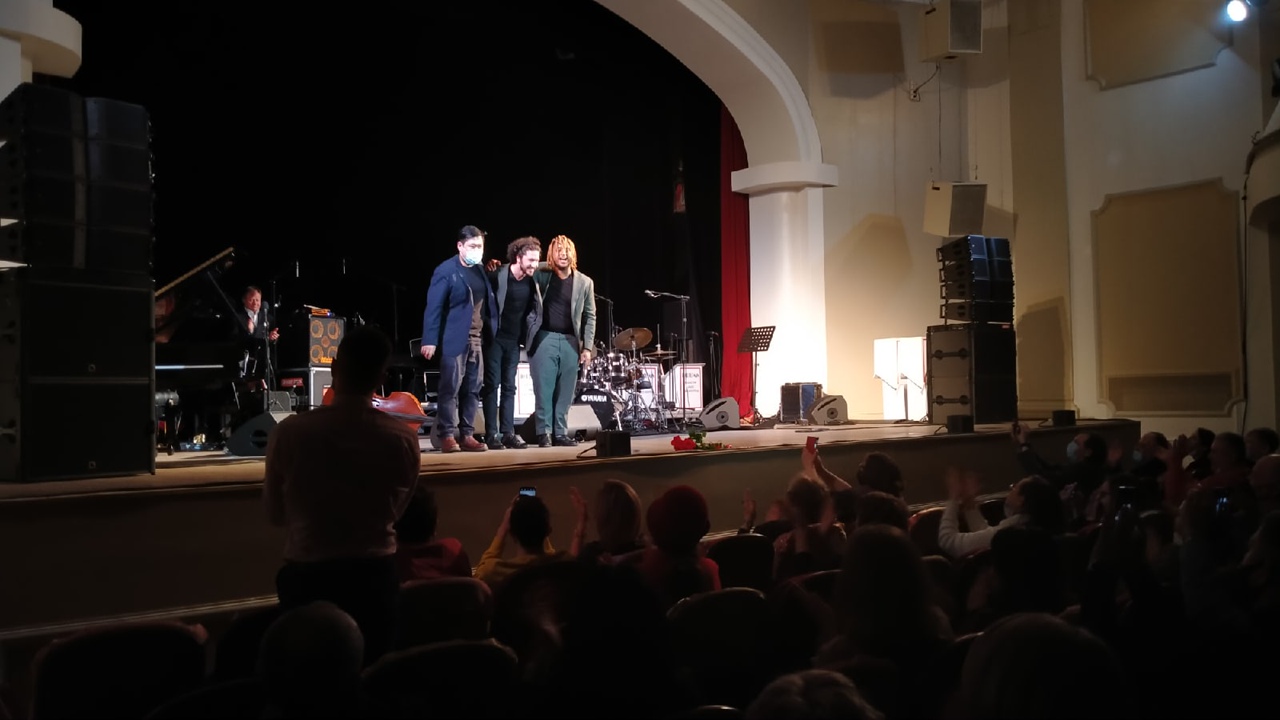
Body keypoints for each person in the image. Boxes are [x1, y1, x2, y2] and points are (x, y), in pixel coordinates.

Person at [263, 325, 421, 665]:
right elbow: (398, 512)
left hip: (308, 579)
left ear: (334, 368)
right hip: (376, 579)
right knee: (375, 672)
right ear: (382, 376)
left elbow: (275, 514)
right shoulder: (405, 439)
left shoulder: (289, 432)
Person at [421, 225, 499, 453]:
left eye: (480, 246)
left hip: (476, 338)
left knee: (473, 389)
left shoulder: (480, 270)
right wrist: (429, 339)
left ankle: (467, 434)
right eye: (472, 246)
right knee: (450, 388)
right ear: (460, 246)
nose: (477, 250)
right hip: (454, 337)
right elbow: (434, 307)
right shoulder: (446, 270)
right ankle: (446, 434)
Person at [527, 234, 596, 447]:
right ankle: (544, 433)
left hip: (570, 341)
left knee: (566, 392)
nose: (563, 254)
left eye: (566, 250)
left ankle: (560, 433)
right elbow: (520, 268)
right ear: (551, 254)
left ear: (573, 254)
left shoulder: (585, 282)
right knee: (544, 389)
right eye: (558, 250)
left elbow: (590, 315)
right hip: (544, 337)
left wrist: (587, 348)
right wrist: (498, 267)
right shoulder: (540, 272)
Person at [481, 236, 541, 450]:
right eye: (531, 260)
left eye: (537, 260)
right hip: (495, 339)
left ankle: (507, 433)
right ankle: (491, 434)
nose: (534, 264)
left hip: (514, 341)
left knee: (509, 387)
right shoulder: (499, 274)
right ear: (518, 257)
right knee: (492, 385)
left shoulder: (532, 280)